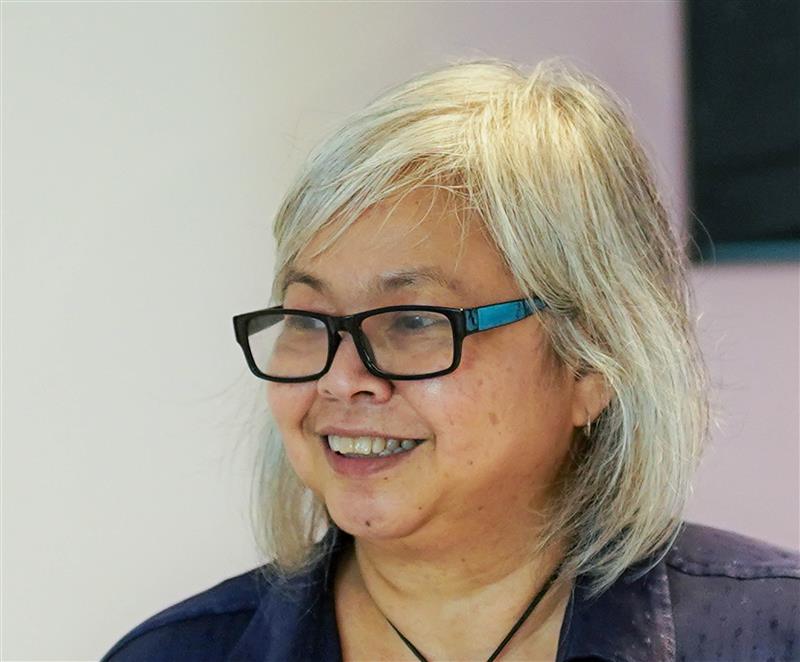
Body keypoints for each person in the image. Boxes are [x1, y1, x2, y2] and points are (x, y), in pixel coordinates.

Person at [102, 58, 799, 662]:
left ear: (594, 362)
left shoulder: (770, 636)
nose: (341, 378)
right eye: (309, 319)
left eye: (411, 321)